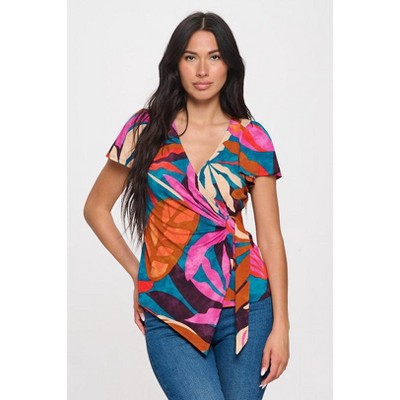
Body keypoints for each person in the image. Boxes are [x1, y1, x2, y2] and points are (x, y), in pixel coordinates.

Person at [84, 11, 290, 400]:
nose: (202, 70)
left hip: (246, 306)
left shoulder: (252, 138)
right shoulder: (145, 129)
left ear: (229, 64)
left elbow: (271, 237)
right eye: (190, 57)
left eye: (214, 57)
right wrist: (138, 274)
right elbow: (96, 208)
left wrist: (282, 326)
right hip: (170, 306)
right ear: (175, 64)